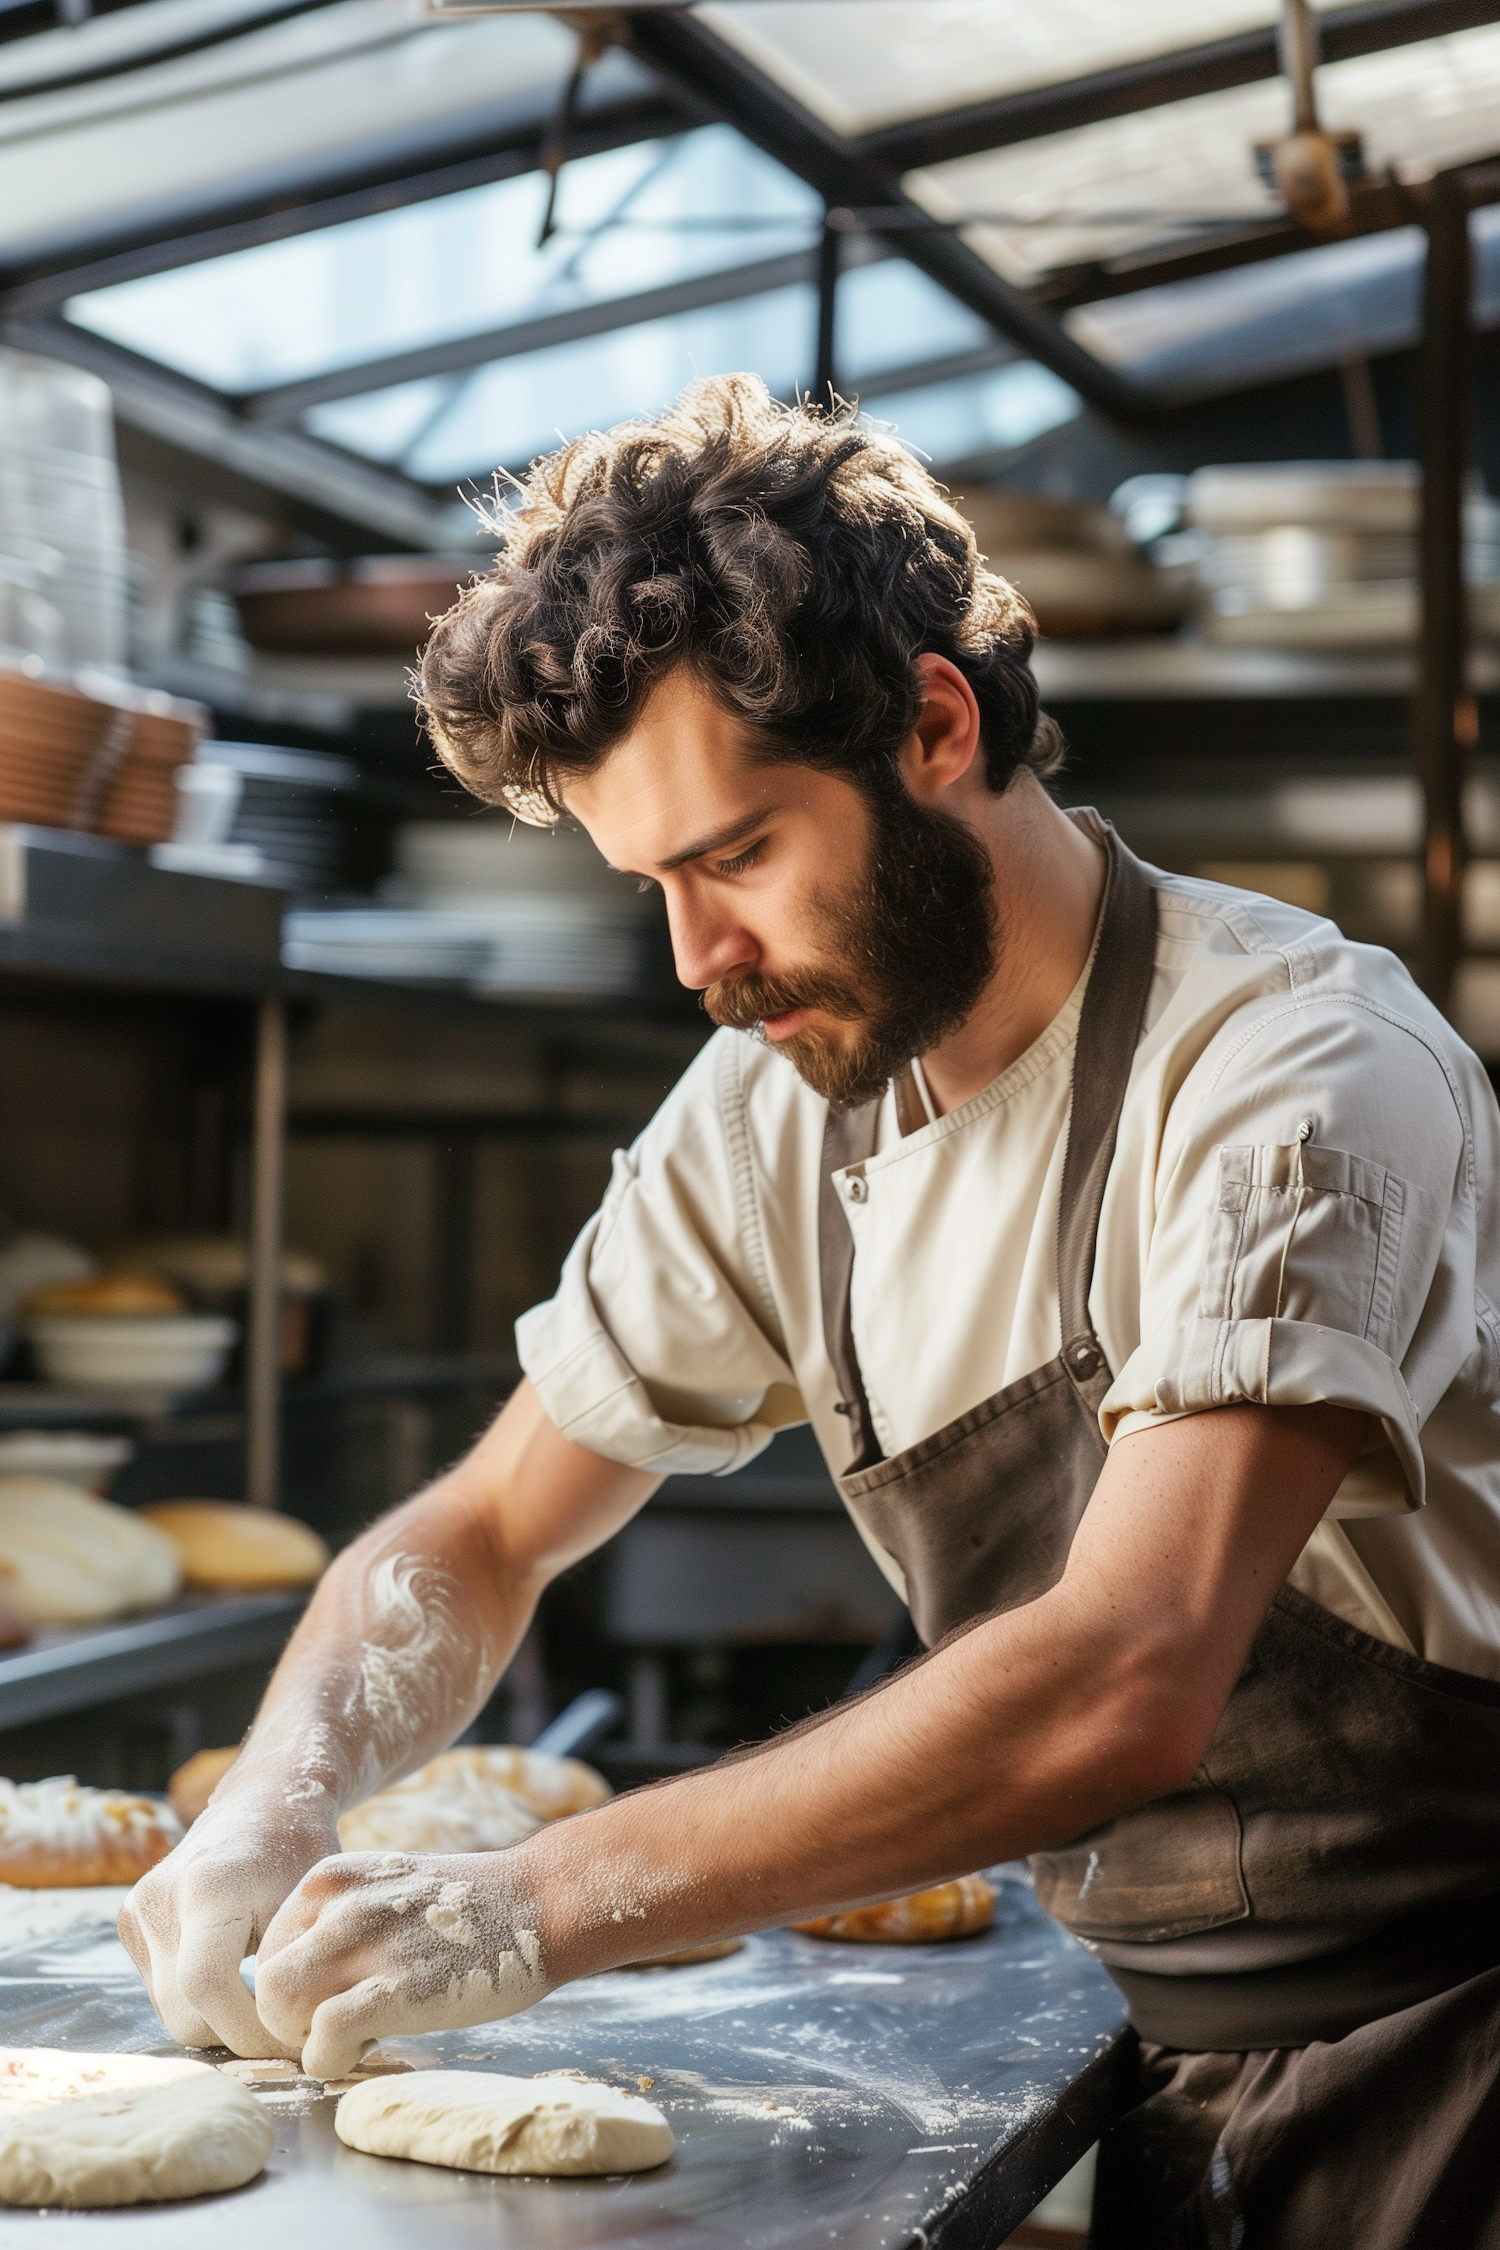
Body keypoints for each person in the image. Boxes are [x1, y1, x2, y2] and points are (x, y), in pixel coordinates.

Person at [122, 375, 1500, 2246]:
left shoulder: (1288, 1070)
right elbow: (487, 1526)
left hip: (1462, 2047)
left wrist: (524, 1903)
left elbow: (1125, 1672)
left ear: (935, 723)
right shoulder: (784, 1110)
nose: (701, 964)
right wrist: (271, 1804)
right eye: (651, 890)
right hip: (1179, 2057)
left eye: (738, 857)